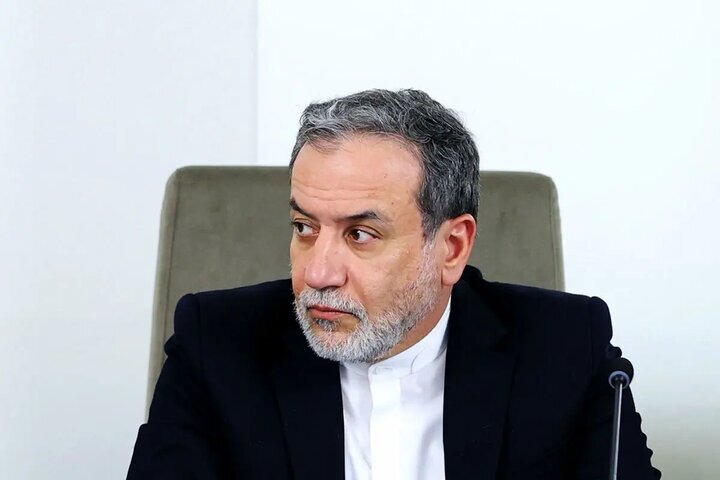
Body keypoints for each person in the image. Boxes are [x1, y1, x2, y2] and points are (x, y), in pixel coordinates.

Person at [127, 89, 661, 479]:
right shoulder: (216, 346)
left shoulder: (567, 349)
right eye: (304, 228)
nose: (318, 273)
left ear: (451, 247)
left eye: (360, 234)